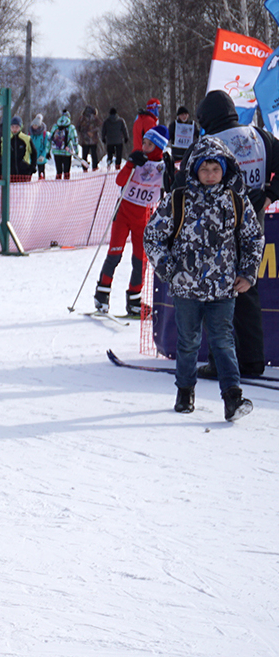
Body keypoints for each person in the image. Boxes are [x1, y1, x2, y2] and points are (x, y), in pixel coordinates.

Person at [144, 136, 262, 421]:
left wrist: (247, 273)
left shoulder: (235, 201)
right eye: (204, 170)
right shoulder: (179, 200)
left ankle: (232, 397)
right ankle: (185, 391)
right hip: (186, 290)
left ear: (225, 170)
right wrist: (170, 270)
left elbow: (253, 238)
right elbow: (153, 236)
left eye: (216, 170)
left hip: (222, 290)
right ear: (195, 170)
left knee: (223, 342)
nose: (210, 176)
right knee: (188, 343)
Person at [192, 89, 279, 379]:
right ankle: (253, 362)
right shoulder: (259, 136)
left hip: (218, 232)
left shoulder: (208, 144)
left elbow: (185, 186)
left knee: (217, 295)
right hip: (255, 227)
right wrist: (270, 195)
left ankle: (221, 364)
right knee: (247, 289)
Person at [93, 126, 169, 316]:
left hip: (143, 217)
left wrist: (171, 174)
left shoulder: (162, 166)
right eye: (144, 142)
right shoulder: (137, 160)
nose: (144, 147)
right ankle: (102, 295)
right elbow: (120, 181)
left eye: (149, 144)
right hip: (124, 212)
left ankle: (134, 299)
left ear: (158, 147)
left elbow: (170, 189)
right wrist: (130, 164)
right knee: (114, 254)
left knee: (140, 260)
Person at [49, 110, 80, 179]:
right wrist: (76, 151)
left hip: (56, 151)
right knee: (66, 171)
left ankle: (57, 185)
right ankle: (66, 185)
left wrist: (48, 150)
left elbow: (49, 138)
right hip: (66, 151)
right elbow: (75, 140)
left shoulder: (55, 126)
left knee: (58, 171)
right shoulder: (71, 127)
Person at [78, 106, 102, 171]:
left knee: (85, 155)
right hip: (93, 139)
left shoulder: (82, 118)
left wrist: (85, 132)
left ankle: (84, 168)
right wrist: (92, 131)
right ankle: (95, 167)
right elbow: (100, 125)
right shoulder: (95, 118)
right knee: (94, 154)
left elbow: (79, 128)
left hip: (84, 139)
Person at [29, 115, 49, 179]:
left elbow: (47, 146)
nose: (34, 126)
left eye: (36, 125)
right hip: (31, 156)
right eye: (33, 125)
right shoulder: (30, 133)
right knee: (29, 172)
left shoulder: (44, 134)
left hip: (40, 156)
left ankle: (42, 184)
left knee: (41, 172)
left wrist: (43, 155)